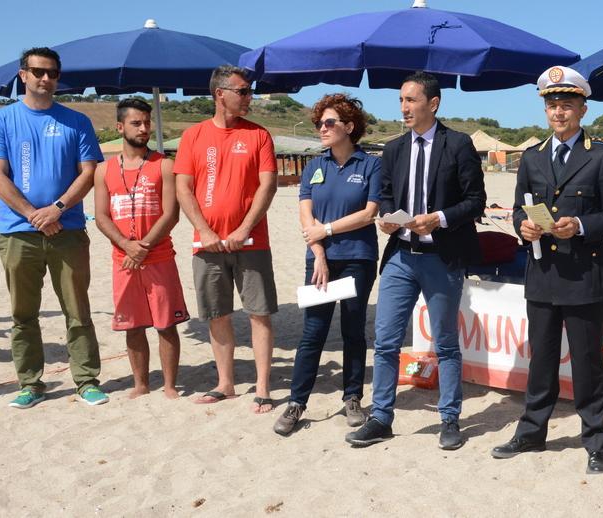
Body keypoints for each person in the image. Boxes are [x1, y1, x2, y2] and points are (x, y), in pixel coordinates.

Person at [491, 66, 603, 474]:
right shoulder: (533, 156)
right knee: (541, 360)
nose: (559, 112)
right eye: (553, 105)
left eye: (567, 105)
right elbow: (520, 205)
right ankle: (532, 431)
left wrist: (584, 226)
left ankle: (596, 440)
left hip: (583, 274)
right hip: (541, 273)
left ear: (583, 110)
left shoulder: (602, 155)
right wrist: (523, 224)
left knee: (588, 362)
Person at [345, 72, 486, 450]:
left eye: (411, 100)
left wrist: (438, 218)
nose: (405, 107)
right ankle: (381, 417)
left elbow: (476, 201)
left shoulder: (458, 145)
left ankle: (450, 419)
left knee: (445, 344)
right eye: (401, 101)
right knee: (387, 340)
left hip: (443, 256)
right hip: (401, 257)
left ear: (433, 104)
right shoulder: (392, 149)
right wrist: (390, 218)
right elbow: (387, 195)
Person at [0, 47, 109, 408]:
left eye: (51, 72)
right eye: (37, 71)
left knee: (77, 310)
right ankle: (30, 383)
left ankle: (86, 380)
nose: (45, 78)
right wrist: (32, 213)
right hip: (18, 233)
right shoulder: (0, 121)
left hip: (66, 230)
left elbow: (89, 172)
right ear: (23, 75)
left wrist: (56, 209)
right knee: (23, 314)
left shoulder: (76, 121)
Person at [273, 94, 381, 435]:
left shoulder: (370, 165)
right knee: (313, 332)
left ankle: (352, 398)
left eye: (329, 123)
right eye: (320, 123)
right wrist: (318, 251)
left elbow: (369, 213)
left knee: (352, 329)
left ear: (349, 127)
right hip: (319, 260)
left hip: (357, 259)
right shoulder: (314, 166)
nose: (322, 128)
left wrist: (329, 229)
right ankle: (296, 402)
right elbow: (306, 212)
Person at [175, 65, 279, 414]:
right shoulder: (193, 136)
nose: (249, 97)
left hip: (252, 242)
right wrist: (205, 231)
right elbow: (183, 188)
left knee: (259, 313)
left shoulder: (259, 135)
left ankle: (263, 387)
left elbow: (268, 185)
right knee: (216, 314)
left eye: (249, 91)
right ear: (220, 94)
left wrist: (245, 228)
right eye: (243, 91)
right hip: (206, 245)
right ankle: (226, 383)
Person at [94, 98, 189, 399]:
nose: (144, 128)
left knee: (166, 323)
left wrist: (143, 247)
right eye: (137, 123)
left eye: (147, 122)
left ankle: (171, 385)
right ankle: (141, 384)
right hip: (123, 260)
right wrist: (126, 246)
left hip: (158, 257)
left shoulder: (164, 165)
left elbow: (171, 214)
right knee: (132, 325)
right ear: (120, 127)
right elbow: (101, 216)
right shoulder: (103, 170)